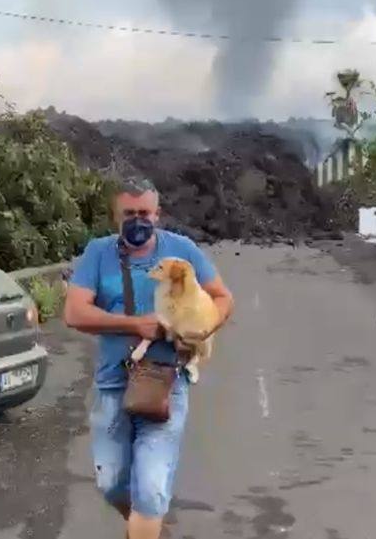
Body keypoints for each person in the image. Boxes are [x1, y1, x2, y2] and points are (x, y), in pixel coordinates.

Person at [63, 178, 233, 539]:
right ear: (115, 216)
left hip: (165, 384)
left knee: (151, 488)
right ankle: (145, 526)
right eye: (129, 214)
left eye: (145, 213)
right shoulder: (98, 253)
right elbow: (75, 313)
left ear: (158, 214)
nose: (138, 220)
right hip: (113, 383)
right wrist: (132, 324)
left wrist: (202, 329)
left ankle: (147, 523)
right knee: (111, 481)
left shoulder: (181, 251)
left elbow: (222, 298)